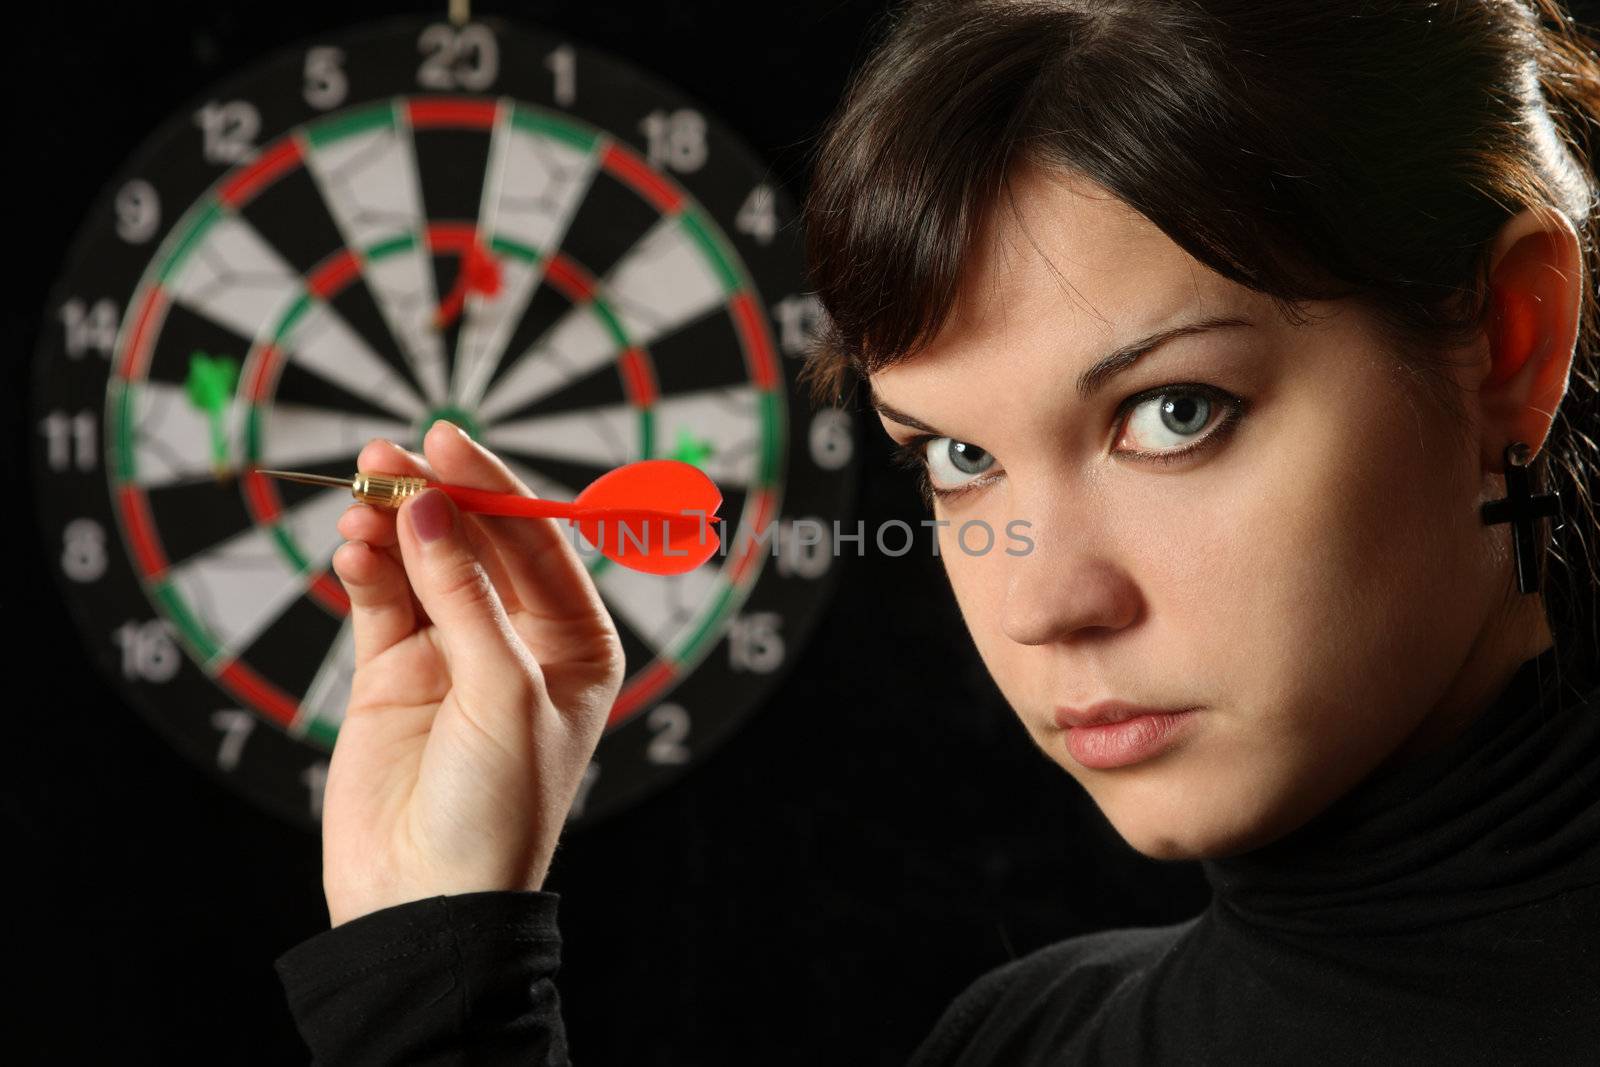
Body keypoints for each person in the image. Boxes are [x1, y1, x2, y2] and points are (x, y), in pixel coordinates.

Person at [275, 0, 1600, 1062]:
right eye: (958, 458)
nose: (1043, 603)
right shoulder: (1026, 1040)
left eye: (1176, 412)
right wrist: (440, 953)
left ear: (1511, 341)